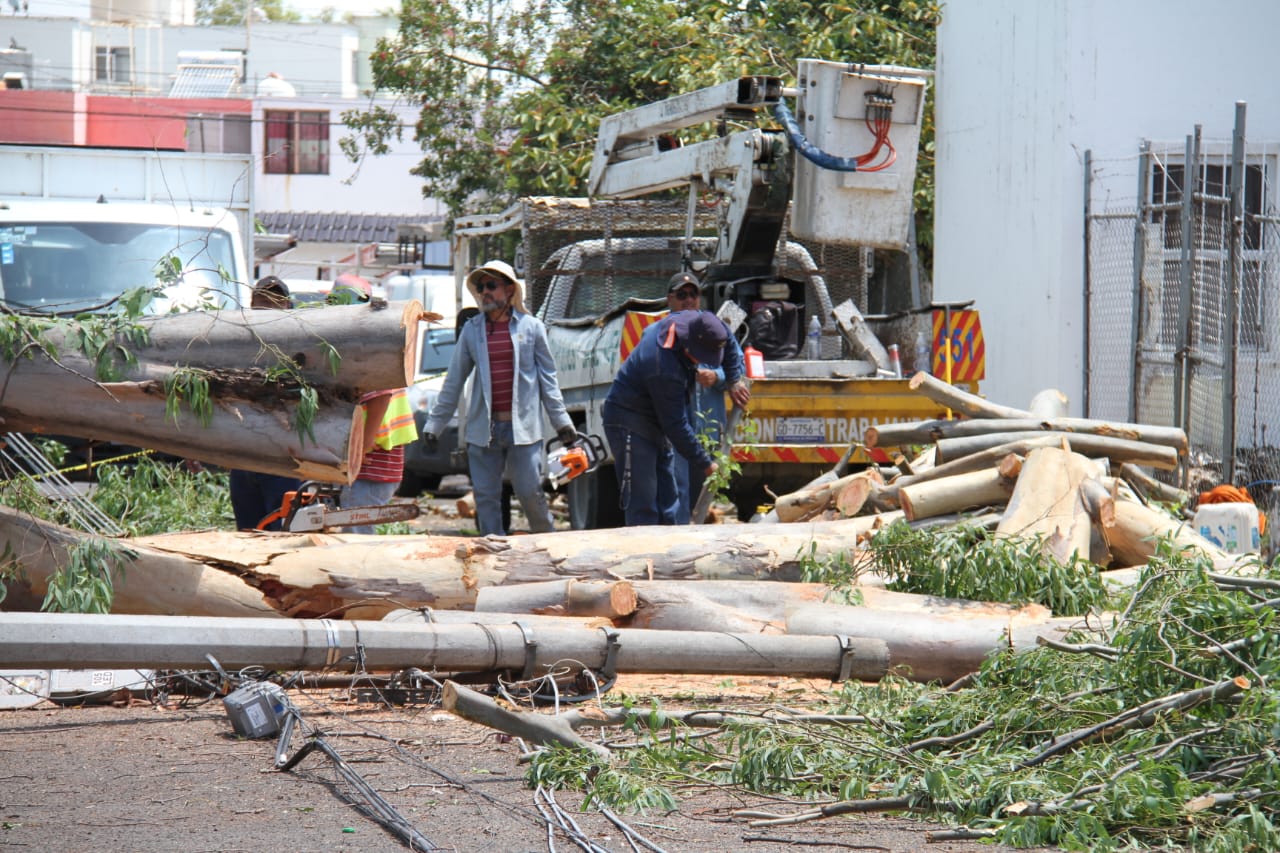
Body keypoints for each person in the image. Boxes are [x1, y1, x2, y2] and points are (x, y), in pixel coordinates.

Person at [421, 259, 576, 536]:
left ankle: (548, 544)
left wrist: (562, 422)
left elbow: (548, 381)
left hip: (524, 429)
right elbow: (454, 380)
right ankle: (493, 550)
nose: (485, 292)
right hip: (484, 430)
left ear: (509, 289)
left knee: (529, 492)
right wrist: (434, 425)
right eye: (481, 288)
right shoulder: (472, 331)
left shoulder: (532, 328)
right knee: (486, 497)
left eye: (491, 285)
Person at [602, 308, 747, 526]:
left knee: (668, 503)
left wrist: (734, 379)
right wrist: (706, 463)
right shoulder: (662, 365)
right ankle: (643, 546)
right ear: (689, 346)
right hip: (629, 421)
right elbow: (675, 425)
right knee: (644, 504)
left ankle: (669, 546)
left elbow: (729, 344)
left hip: (658, 420)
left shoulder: (701, 322)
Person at [328, 274, 419, 533]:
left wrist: (358, 454)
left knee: (356, 539)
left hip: (371, 464)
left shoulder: (366, 348)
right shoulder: (368, 343)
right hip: (373, 463)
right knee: (351, 534)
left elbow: (380, 398)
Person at [663, 272, 749, 523]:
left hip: (708, 430)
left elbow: (738, 366)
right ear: (670, 299)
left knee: (703, 495)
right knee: (678, 491)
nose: (689, 300)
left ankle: (696, 536)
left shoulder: (712, 327)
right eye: (682, 295)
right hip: (678, 431)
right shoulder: (666, 331)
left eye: (693, 294)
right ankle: (679, 538)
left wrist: (718, 377)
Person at [229, 276, 303, 530]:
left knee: (282, 531)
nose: (268, 306)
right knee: (248, 532)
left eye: (275, 300)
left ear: (287, 305)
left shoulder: (300, 345)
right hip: (245, 456)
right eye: (263, 300)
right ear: (252, 305)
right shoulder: (238, 343)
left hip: (283, 457)